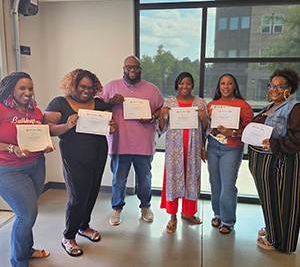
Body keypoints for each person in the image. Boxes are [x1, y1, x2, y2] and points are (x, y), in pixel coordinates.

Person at [44, 69, 116, 257]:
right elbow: (49, 128)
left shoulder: (99, 103)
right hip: (74, 156)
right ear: (73, 85)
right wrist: (66, 126)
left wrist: (112, 127)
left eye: (90, 88)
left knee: (92, 192)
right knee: (77, 197)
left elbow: (110, 124)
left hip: (98, 153)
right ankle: (68, 236)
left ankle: (84, 226)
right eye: (82, 86)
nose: (86, 91)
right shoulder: (59, 102)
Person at [100, 55, 164, 226]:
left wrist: (151, 117)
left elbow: (162, 109)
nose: (132, 70)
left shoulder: (151, 89)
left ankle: (145, 206)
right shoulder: (111, 86)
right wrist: (110, 101)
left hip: (143, 144)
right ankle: (117, 208)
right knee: (119, 179)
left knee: (145, 179)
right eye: (129, 67)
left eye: (136, 67)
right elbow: (97, 105)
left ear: (140, 69)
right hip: (119, 143)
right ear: (124, 68)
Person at [0, 72, 54, 267]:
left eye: (30, 88)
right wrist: (12, 148)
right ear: (11, 89)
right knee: (26, 214)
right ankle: (19, 261)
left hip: (36, 165)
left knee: (29, 210)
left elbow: (39, 135)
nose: (27, 92)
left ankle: (27, 249)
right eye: (22, 88)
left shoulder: (35, 111)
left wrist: (45, 145)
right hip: (8, 169)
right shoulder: (1, 109)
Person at [248, 68, 300, 253]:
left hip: (277, 163)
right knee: (270, 200)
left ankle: (279, 240)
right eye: (271, 85)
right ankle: (273, 229)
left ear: (289, 88)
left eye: (280, 86)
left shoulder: (294, 108)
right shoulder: (270, 107)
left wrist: (276, 143)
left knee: (281, 201)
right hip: (262, 161)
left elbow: (298, 138)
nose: (273, 89)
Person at [158, 72, 209, 233]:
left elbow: (207, 128)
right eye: (181, 83)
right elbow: (161, 128)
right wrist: (161, 115)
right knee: (173, 180)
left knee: (191, 179)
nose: (184, 86)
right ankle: (172, 217)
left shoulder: (200, 102)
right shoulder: (170, 103)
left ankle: (188, 213)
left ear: (192, 85)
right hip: (175, 150)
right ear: (177, 85)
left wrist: (203, 118)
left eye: (188, 83)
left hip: (193, 148)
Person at [207, 73, 253, 234]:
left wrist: (232, 132)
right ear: (218, 86)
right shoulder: (212, 105)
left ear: (235, 86)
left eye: (229, 83)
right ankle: (217, 214)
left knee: (227, 185)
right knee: (215, 183)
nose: (226, 86)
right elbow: (207, 126)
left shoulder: (243, 106)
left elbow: (249, 130)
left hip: (232, 149)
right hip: (212, 147)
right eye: (222, 83)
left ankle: (228, 220)